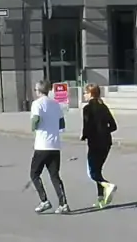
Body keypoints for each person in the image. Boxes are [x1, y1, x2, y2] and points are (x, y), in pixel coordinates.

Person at [28, 83, 70, 214]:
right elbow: (62, 124)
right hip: (55, 145)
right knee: (54, 175)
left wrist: (33, 128)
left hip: (42, 145)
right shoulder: (55, 104)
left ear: (38, 91)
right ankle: (63, 204)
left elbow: (35, 119)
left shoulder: (37, 104)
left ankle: (44, 200)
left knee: (34, 174)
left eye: (35, 89)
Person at [80, 84, 118, 208]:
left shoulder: (87, 108)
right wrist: (104, 132)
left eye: (85, 93)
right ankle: (100, 198)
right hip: (106, 142)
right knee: (97, 170)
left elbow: (87, 126)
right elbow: (113, 126)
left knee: (91, 172)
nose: (84, 95)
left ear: (90, 94)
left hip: (95, 143)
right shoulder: (104, 107)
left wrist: (84, 136)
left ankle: (107, 185)